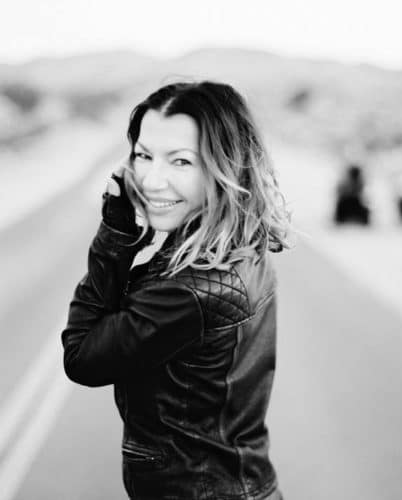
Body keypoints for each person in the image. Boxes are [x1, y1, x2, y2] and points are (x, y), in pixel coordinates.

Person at [61, 81, 293, 500]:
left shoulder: (188, 291)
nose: (152, 181)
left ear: (225, 167)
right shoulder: (241, 246)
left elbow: (82, 358)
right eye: (143, 156)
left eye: (181, 161)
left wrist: (114, 235)